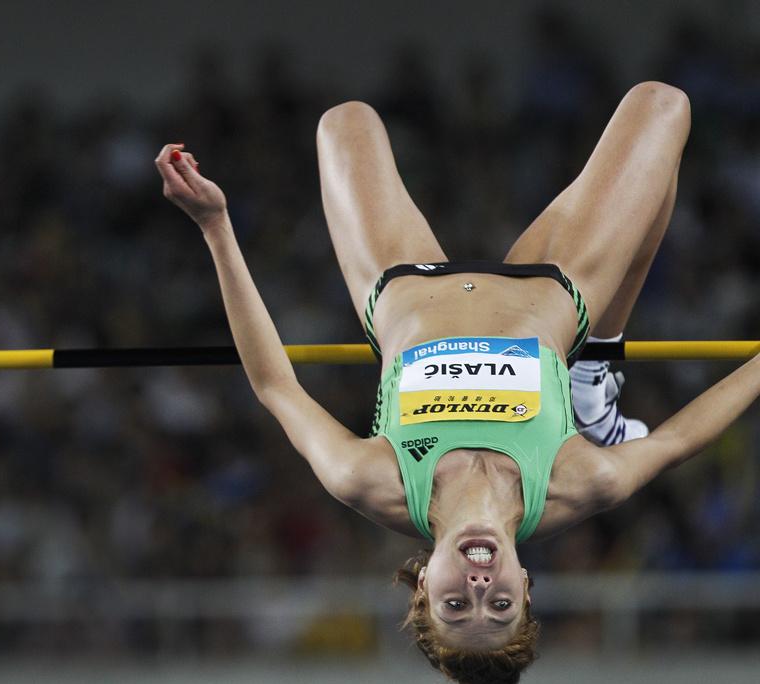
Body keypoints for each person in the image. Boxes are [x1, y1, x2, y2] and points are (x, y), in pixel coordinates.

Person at [155, 82, 757, 684]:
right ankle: (591, 368)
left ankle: (590, 372)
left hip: (399, 286)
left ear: (421, 588)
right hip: (552, 288)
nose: (478, 585)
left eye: (454, 604)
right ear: (525, 585)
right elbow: (675, 442)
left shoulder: (373, 480)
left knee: (344, 121)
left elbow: (275, 387)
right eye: (499, 605)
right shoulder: (576, 483)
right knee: (663, 106)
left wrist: (215, 226)